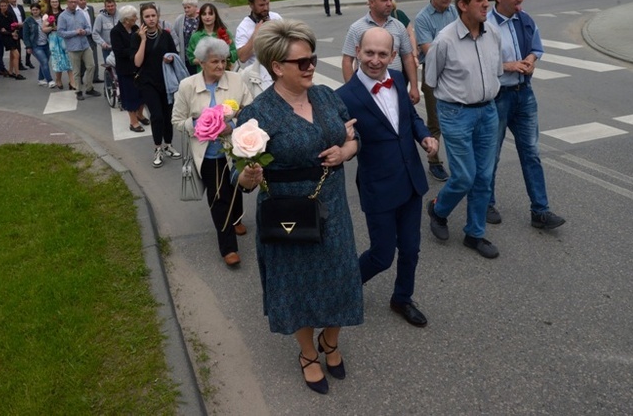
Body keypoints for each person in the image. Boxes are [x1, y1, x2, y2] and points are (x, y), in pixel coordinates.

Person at [235, 19, 363, 395]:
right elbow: (239, 174)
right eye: (301, 62)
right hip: (287, 213)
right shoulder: (259, 113)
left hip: (333, 207)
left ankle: (331, 341)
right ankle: (308, 353)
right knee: (298, 288)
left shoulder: (326, 96)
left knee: (342, 279)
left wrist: (346, 150)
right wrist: (249, 178)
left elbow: (355, 138)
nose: (310, 67)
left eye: (312, 58)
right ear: (277, 67)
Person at [337, 27, 437, 328]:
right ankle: (344, 287)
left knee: (410, 249)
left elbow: (412, 119)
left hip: (410, 180)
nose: (375, 60)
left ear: (393, 56)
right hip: (378, 187)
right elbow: (343, 143)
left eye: (383, 54)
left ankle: (402, 298)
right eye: (369, 53)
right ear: (358, 52)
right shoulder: (343, 97)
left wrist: (424, 138)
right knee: (382, 256)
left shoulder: (397, 81)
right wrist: (344, 143)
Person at [424, 0, 502, 259]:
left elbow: (496, 72)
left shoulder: (492, 33)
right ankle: (438, 208)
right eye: (480, 0)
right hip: (455, 112)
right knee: (465, 176)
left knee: (484, 176)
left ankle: (475, 234)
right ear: (463, 5)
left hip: (488, 110)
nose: (486, 4)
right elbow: (431, 79)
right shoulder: (444, 40)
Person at [487, 0, 566, 230]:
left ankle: (540, 211)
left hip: (524, 94)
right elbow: (477, 63)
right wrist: (508, 65)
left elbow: (536, 47)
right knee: (491, 155)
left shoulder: (525, 19)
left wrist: (531, 60)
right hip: (498, 97)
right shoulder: (486, 25)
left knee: (531, 152)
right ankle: (486, 202)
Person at [172, 37, 253, 265]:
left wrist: (232, 125)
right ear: (201, 63)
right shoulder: (188, 86)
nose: (220, 66)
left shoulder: (236, 80)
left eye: (223, 61)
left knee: (235, 187)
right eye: (215, 62)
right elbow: (177, 120)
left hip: (235, 149)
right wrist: (198, 125)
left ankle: (236, 218)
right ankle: (228, 249)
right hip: (208, 153)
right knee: (219, 197)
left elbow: (250, 109)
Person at [341, 0, 419, 106]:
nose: (389, 4)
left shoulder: (398, 26)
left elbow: (407, 57)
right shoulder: (356, 28)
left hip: (395, 87)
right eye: (384, 0)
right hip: (367, 90)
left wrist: (414, 86)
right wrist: (353, 90)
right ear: (371, 3)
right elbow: (347, 61)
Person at [415, 0, 459, 182]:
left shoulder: (456, 12)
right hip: (433, 75)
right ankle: (434, 162)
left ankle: (460, 163)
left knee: (459, 120)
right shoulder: (423, 18)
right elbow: (428, 51)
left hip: (457, 74)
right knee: (435, 121)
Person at [132, 2, 181, 167]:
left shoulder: (166, 35)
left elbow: (175, 55)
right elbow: (137, 63)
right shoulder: (136, 37)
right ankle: (157, 148)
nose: (151, 19)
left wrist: (170, 58)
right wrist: (143, 40)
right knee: (157, 116)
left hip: (166, 81)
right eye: (147, 16)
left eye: (153, 15)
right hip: (147, 82)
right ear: (142, 18)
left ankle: (168, 145)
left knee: (168, 115)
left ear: (158, 16)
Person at [235, 0, 282, 94]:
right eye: (261, 5)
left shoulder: (277, 18)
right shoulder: (243, 27)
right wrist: (256, 34)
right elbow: (242, 57)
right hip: (259, 78)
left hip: (280, 72)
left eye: (267, 4)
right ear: (251, 5)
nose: (265, 8)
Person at [110, 5, 148, 131]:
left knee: (142, 93)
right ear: (126, 20)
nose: (137, 18)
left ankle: (140, 114)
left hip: (138, 67)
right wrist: (135, 51)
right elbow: (119, 52)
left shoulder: (136, 28)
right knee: (130, 95)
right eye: (134, 17)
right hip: (125, 69)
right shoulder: (116, 32)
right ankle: (133, 122)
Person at [57, 0, 100, 101]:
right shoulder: (63, 16)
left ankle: (89, 88)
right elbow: (60, 32)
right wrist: (75, 32)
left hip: (85, 45)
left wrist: (84, 31)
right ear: (67, 3)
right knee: (76, 71)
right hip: (73, 47)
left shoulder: (80, 13)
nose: (73, 4)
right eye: (71, 2)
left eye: (75, 2)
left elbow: (89, 28)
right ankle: (78, 91)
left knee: (91, 66)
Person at [186, 2, 238, 74]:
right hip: (204, 76)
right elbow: (191, 59)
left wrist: (225, 54)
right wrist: (207, 61)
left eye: (210, 14)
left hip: (224, 73)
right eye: (204, 14)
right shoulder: (195, 36)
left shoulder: (225, 33)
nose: (207, 17)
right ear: (200, 16)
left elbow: (235, 54)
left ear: (215, 16)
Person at [45, 0, 74, 90]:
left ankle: (72, 81)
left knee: (68, 58)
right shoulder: (46, 15)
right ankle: (58, 79)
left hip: (64, 37)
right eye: (53, 2)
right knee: (58, 59)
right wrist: (52, 27)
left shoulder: (64, 13)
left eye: (56, 1)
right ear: (50, 3)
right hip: (53, 38)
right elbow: (44, 29)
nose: (54, 3)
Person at [23, 3, 54, 87]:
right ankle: (50, 80)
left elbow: (50, 28)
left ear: (40, 10)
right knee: (44, 61)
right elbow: (25, 35)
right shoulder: (28, 21)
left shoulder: (44, 18)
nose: (35, 11)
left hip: (46, 43)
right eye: (33, 10)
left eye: (36, 9)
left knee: (44, 62)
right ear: (31, 11)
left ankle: (40, 79)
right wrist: (28, 46)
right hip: (36, 45)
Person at [0, 0, 23, 80]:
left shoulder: (10, 14)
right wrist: (10, 32)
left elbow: (14, 24)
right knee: (16, 54)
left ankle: (10, 71)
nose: (3, 7)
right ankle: (17, 73)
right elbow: (0, 29)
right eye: (2, 6)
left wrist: (15, 32)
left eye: (5, 5)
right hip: (6, 37)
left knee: (12, 55)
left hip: (13, 35)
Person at [172, 0, 200, 75]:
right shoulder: (180, 19)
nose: (186, 10)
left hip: (199, 56)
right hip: (186, 56)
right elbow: (175, 35)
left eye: (188, 7)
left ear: (195, 7)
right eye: (185, 8)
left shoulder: (201, 18)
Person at [76, 0, 100, 83]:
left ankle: (95, 77)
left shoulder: (90, 8)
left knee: (94, 58)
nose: (83, 1)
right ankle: (80, 77)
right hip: (81, 37)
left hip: (91, 36)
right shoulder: (75, 11)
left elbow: (93, 20)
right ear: (77, 1)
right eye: (81, 0)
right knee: (82, 60)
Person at [7, 0, 31, 70]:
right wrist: (16, 25)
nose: (14, 0)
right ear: (8, 0)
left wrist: (24, 23)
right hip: (15, 29)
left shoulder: (20, 7)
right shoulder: (7, 8)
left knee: (29, 43)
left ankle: (28, 61)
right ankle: (19, 64)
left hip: (23, 28)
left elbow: (24, 16)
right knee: (18, 47)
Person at [92, 0, 119, 64]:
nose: (110, 8)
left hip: (119, 48)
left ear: (115, 5)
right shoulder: (100, 17)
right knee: (109, 69)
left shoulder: (121, 15)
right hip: (108, 49)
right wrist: (102, 43)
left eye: (112, 6)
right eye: (108, 6)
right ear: (105, 7)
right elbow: (95, 33)